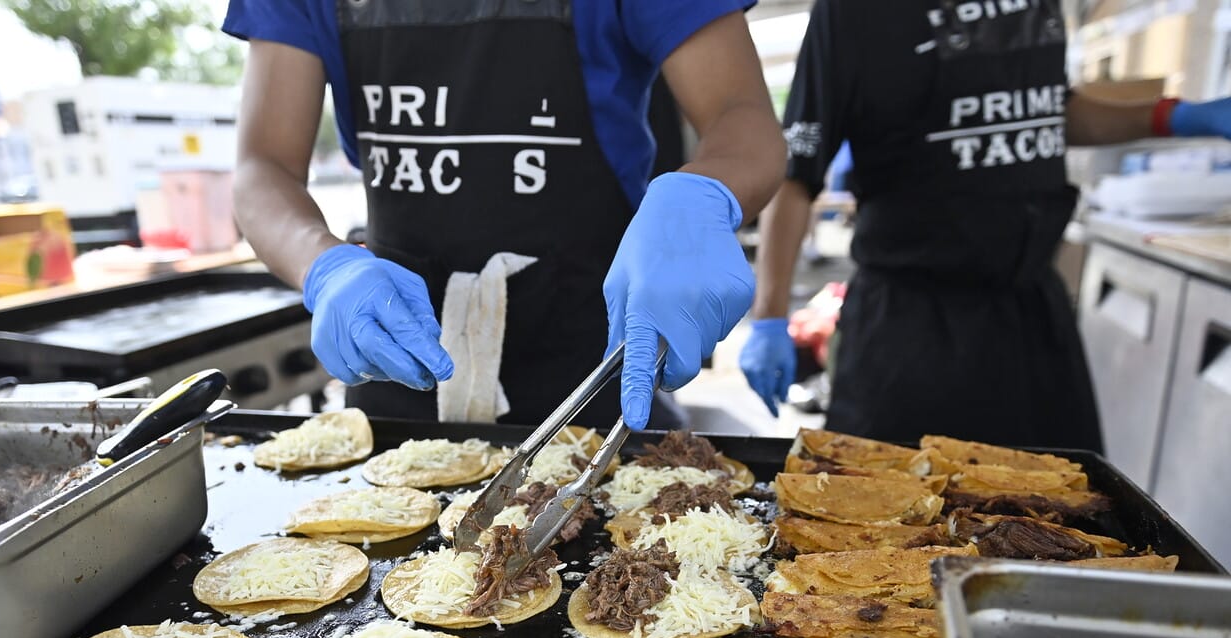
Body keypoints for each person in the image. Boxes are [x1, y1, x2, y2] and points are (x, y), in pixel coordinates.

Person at [226, 0, 784, 430]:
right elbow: (262, 167)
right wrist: (324, 267)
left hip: (594, 364)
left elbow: (744, 118)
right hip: (397, 358)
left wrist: (699, 194)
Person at [739, 0, 1231, 450]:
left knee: (1055, 514)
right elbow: (797, 171)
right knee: (882, 516)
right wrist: (769, 316)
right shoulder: (854, 12)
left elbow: (1047, 109)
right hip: (909, 327)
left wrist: (1175, 116)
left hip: (1028, 315)